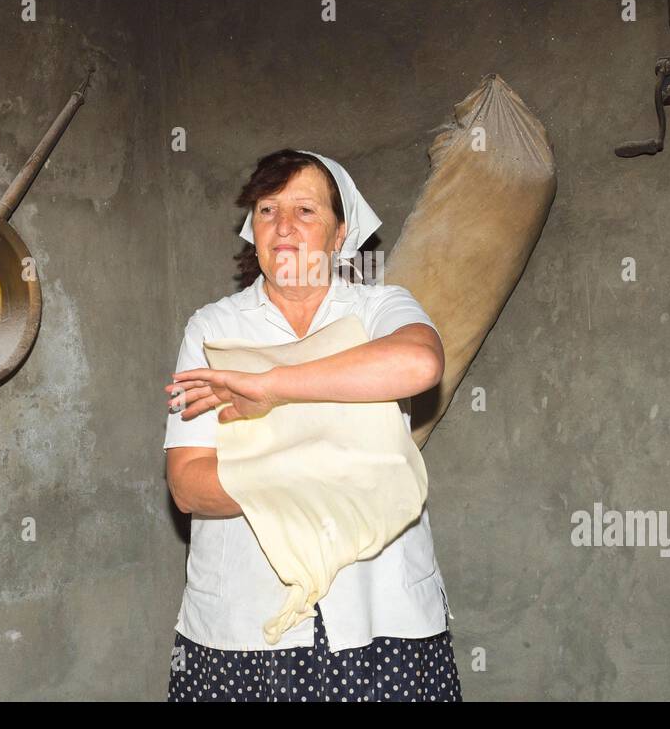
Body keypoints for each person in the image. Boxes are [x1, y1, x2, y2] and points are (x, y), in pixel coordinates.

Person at [162, 148, 462, 701]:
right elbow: (189, 485)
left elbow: (418, 364)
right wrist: (344, 458)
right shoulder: (214, 326)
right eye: (268, 209)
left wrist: (269, 390)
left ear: (340, 233)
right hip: (246, 624)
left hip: (382, 615)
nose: (282, 228)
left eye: (305, 212)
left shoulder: (380, 310)